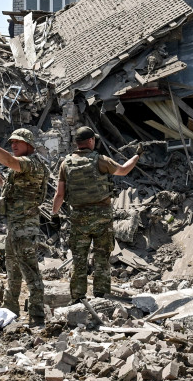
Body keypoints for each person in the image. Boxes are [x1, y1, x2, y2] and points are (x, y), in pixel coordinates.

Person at [53, 126, 139, 302]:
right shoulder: (100, 160)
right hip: (102, 217)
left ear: (77, 143)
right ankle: (101, 296)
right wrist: (137, 156)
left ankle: (78, 297)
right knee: (102, 256)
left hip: (78, 217)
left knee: (79, 259)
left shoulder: (65, 163)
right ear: (91, 141)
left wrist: (54, 213)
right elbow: (123, 170)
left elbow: (60, 194)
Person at [0, 125, 49, 326]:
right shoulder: (24, 166)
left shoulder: (31, 163)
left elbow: (8, 160)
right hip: (16, 226)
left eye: (17, 142)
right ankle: (9, 312)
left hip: (25, 228)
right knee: (12, 272)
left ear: (29, 144)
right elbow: (18, 192)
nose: (13, 145)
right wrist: (1, 182)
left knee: (31, 273)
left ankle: (37, 316)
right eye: (12, 142)